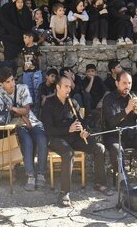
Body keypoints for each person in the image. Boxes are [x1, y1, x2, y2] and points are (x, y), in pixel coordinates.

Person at [43, 76, 113, 207]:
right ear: (58, 87)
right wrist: (67, 129)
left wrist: (84, 131)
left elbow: (82, 122)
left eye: (70, 86)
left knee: (99, 148)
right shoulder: (49, 103)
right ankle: (64, 192)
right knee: (69, 153)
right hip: (56, 139)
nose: (69, 89)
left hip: (74, 138)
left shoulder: (73, 102)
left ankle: (100, 184)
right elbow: (48, 129)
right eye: (66, 86)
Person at [0, 67, 48, 191]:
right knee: (27, 142)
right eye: (8, 82)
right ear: (1, 84)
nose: (12, 83)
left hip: (32, 122)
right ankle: (30, 175)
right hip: (17, 125)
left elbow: (26, 109)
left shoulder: (23, 88)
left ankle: (41, 174)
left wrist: (12, 109)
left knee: (42, 139)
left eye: (12, 80)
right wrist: (19, 113)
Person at [20, 30, 42, 108]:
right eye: (23, 38)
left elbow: (39, 58)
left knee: (37, 90)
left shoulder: (36, 48)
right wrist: (24, 67)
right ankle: (30, 107)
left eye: (25, 38)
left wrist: (39, 69)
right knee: (28, 90)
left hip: (35, 72)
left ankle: (37, 107)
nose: (24, 39)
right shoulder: (23, 49)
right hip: (26, 72)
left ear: (31, 38)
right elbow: (22, 59)